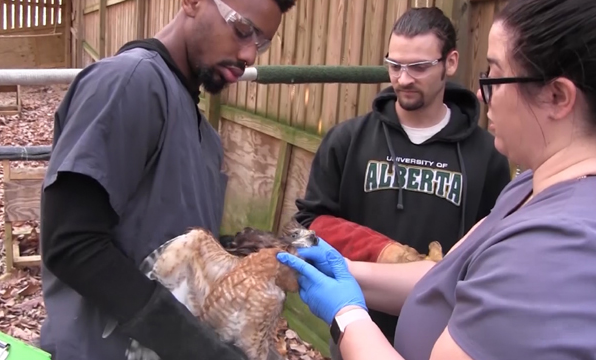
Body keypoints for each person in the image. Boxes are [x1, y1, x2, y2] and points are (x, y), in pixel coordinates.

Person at [279, 0, 596, 359]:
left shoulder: (561, 244)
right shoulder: (527, 187)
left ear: (557, 97)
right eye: (395, 65)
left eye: (494, 75)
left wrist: (347, 313)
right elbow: (441, 280)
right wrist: (348, 271)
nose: (481, 92)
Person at [37, 0, 296, 359]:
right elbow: (72, 244)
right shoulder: (129, 83)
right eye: (241, 30)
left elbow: (159, 241)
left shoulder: (205, 134)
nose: (250, 53)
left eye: (261, 42)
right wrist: (203, 351)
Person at [293, 6, 511, 350]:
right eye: (395, 65)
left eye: (419, 67)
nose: (403, 78)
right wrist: (383, 252)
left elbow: (493, 247)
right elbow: (310, 224)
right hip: (357, 319)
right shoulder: (348, 141)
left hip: (443, 338)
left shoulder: (487, 155)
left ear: (450, 63)